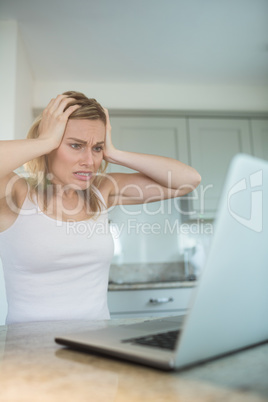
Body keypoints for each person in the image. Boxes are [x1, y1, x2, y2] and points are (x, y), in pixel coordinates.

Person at [0, 91, 201, 324]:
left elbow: (189, 179)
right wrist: (44, 141)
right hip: (29, 353)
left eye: (97, 148)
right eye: (76, 145)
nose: (90, 161)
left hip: (95, 347)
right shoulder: (16, 194)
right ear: (49, 146)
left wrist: (114, 152)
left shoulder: (101, 190)